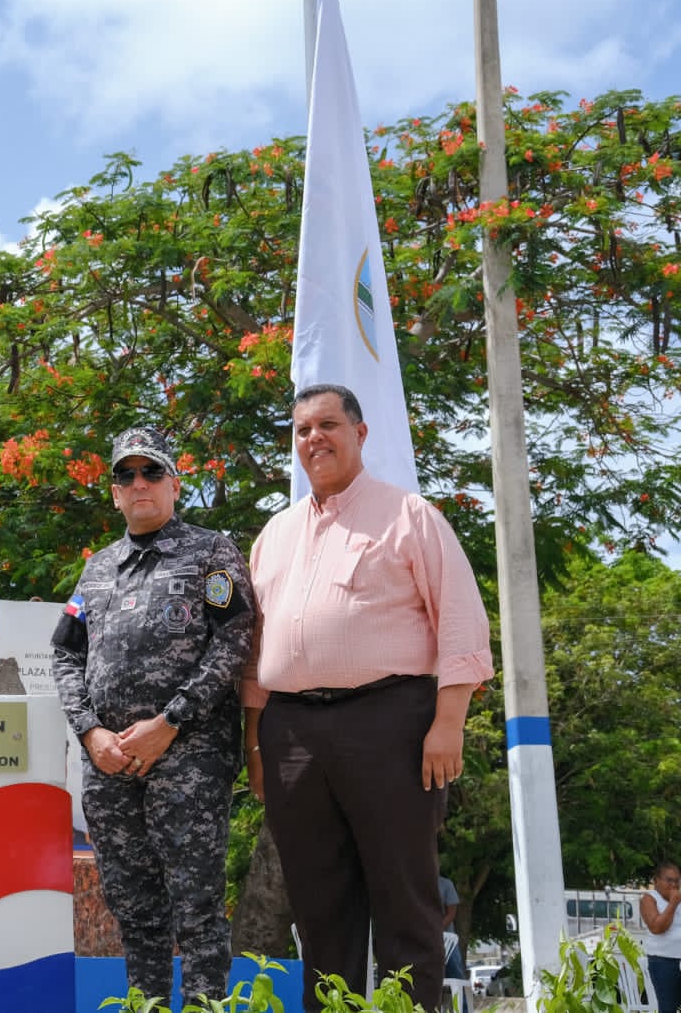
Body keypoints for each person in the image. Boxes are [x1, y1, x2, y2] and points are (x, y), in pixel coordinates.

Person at [243, 384, 494, 1011]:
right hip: (291, 733)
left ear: (360, 433)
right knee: (318, 906)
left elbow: (461, 621)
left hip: (391, 723)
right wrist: (254, 741)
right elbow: (253, 650)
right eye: (302, 430)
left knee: (405, 897)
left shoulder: (410, 515)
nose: (314, 439)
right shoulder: (274, 534)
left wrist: (449, 725)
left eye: (327, 425)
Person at [51, 427, 255, 1004]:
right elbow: (66, 653)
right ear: (115, 493)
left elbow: (235, 637)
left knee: (196, 910)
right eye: (126, 475)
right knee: (134, 910)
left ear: (174, 484)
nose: (138, 483)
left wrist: (170, 722)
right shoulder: (97, 570)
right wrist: (90, 732)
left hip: (187, 758)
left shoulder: (210, 552)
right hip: (110, 766)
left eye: (151, 472)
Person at [640, 861, 681, 1013]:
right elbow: (657, 928)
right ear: (656, 880)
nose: (674, 885)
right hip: (663, 962)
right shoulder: (649, 899)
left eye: (677, 880)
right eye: (669, 880)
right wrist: (673, 903)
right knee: (668, 1008)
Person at [439, 874, 464, 982]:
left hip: (447, 938)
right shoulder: (415, 884)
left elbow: (451, 914)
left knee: (456, 972)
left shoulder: (446, 884)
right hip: (422, 937)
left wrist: (435, 931)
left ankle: (462, 999)